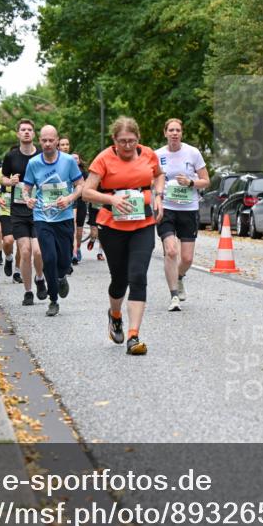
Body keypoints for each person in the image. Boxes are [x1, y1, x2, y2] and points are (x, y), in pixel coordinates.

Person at [82, 116, 164, 355]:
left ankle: (133, 336)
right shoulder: (103, 159)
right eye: (122, 142)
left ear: (138, 139)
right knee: (120, 280)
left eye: (131, 141)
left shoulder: (148, 154)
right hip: (112, 226)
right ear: (114, 140)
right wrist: (112, 198)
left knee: (138, 275)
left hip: (143, 223)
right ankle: (115, 315)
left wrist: (158, 195)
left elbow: (159, 175)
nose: (127, 146)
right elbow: (87, 192)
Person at [21, 125, 84, 317]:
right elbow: (26, 188)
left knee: (64, 261)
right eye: (44, 140)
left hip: (64, 217)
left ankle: (62, 275)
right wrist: (27, 199)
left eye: (51, 140)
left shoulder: (68, 161)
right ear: (40, 141)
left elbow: (80, 185)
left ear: (57, 141)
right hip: (43, 217)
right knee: (48, 258)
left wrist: (70, 199)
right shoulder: (33, 163)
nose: (47, 144)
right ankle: (53, 300)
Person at [154, 118, 210, 311]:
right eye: (171, 130)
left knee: (186, 259)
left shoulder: (193, 153)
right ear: (165, 133)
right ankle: (174, 295)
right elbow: (151, 181)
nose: (174, 133)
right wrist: (157, 198)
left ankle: (179, 276)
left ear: (182, 133)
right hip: (167, 208)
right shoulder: (157, 155)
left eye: (178, 130)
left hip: (188, 209)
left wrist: (191, 183)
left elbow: (206, 180)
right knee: (170, 251)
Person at [1, 119, 47, 303]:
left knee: (38, 252)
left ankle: (40, 278)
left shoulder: (42, 156)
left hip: (38, 209)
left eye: (29, 130)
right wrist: (9, 182)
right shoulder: (11, 157)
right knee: (25, 251)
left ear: (34, 134)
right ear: (18, 134)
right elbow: (2, 178)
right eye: (23, 130)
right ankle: (28, 292)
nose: (26, 132)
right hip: (19, 209)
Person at [58, 136, 86, 267]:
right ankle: (61, 254)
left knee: (73, 225)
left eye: (67, 144)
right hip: (55, 199)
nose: (65, 147)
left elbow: (81, 182)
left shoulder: (71, 162)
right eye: (62, 144)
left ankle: (73, 253)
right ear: (58, 146)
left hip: (72, 198)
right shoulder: (53, 160)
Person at [0, 162, 15, 276]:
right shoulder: (1, 172)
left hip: (23, 210)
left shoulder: (28, 169)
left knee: (22, 245)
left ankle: (18, 273)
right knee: (6, 239)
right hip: (4, 209)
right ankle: (8, 257)